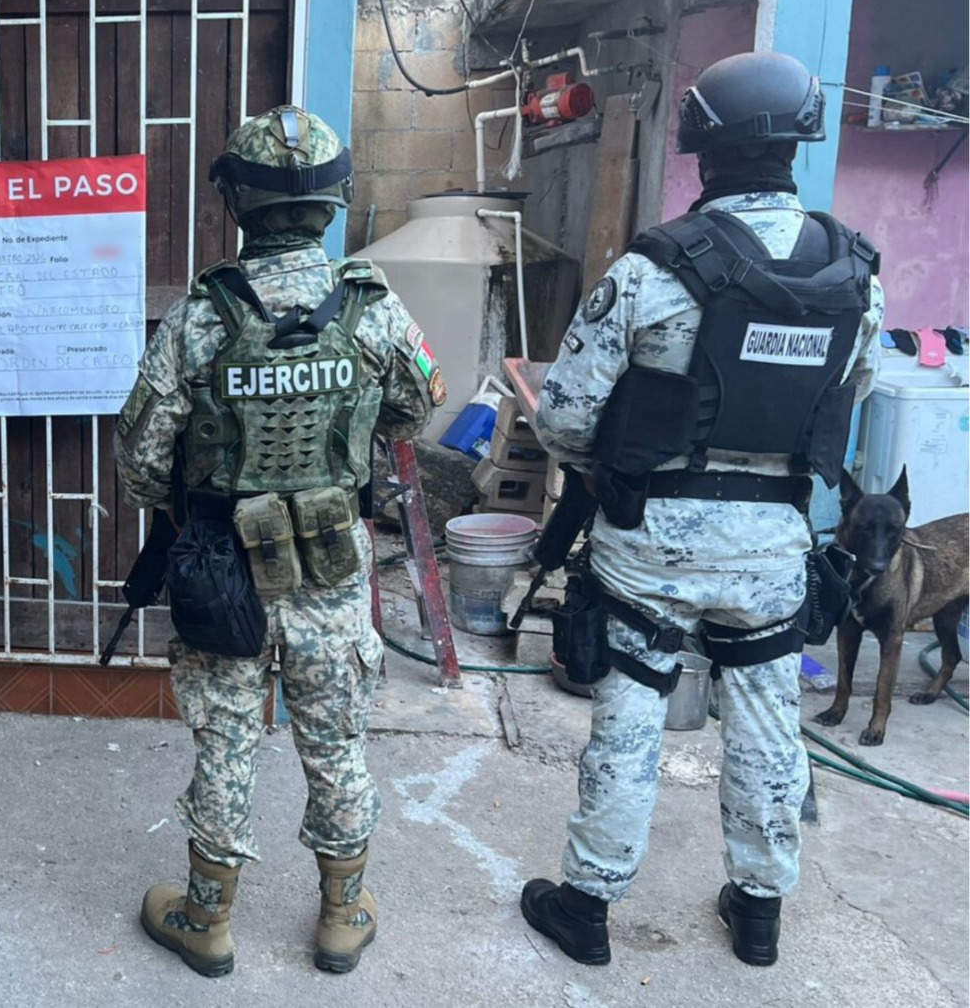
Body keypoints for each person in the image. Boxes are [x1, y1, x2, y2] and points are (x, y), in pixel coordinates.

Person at [519, 51, 884, 967]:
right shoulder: (856, 276)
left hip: (650, 542)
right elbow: (849, 398)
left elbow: (563, 418)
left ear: (700, 146)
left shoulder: (655, 268)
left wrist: (608, 475)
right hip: (774, 548)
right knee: (766, 723)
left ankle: (587, 905)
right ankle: (758, 913)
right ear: (799, 140)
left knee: (630, 716)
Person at [115, 105, 442, 977]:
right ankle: (342, 917)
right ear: (335, 199)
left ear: (237, 200)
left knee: (226, 743)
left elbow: (139, 460)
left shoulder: (201, 315)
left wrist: (186, 510)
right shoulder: (372, 308)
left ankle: (207, 920)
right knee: (335, 743)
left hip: (224, 571)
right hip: (332, 569)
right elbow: (415, 409)